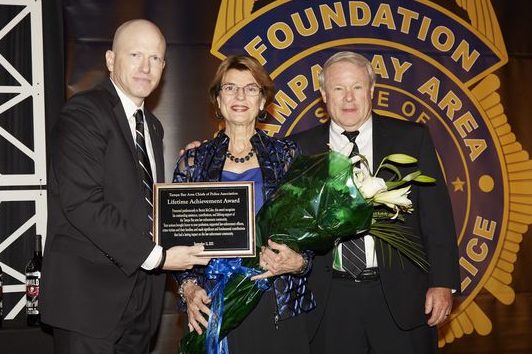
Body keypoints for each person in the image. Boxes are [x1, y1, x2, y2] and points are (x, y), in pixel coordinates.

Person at [41, 19, 210, 354]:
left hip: (141, 303)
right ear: (110, 60)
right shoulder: (84, 113)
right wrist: (158, 257)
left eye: (156, 58)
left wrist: (196, 166)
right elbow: (83, 204)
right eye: (135, 54)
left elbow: (142, 202)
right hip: (89, 302)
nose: (146, 67)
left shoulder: (153, 127)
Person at [291, 51, 460, 354]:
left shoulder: (411, 139)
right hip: (330, 302)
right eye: (338, 89)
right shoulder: (301, 148)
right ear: (323, 94)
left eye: (357, 87)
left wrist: (443, 282)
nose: (349, 99)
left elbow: (437, 219)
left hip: (401, 297)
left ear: (371, 90)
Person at [173, 55, 315, 353]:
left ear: (263, 101)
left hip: (275, 295)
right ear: (218, 99)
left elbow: (309, 230)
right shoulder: (193, 161)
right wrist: (188, 288)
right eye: (230, 88)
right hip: (214, 300)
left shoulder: (288, 156)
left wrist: (299, 262)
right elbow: (177, 239)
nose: (240, 96)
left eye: (251, 89)